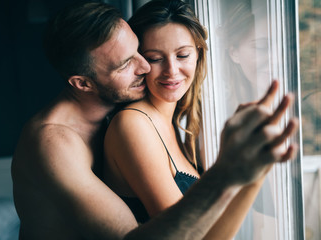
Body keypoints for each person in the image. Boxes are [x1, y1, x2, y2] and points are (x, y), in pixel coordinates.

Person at [11, 1, 298, 239]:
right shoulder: (54, 142)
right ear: (83, 84)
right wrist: (231, 172)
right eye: (127, 63)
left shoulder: (136, 111)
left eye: (138, 50)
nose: (146, 66)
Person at [103, 0, 293, 239]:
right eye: (155, 58)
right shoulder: (132, 125)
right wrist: (250, 177)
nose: (172, 70)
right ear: (139, 61)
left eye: (182, 55)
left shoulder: (180, 121)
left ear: (198, 54)